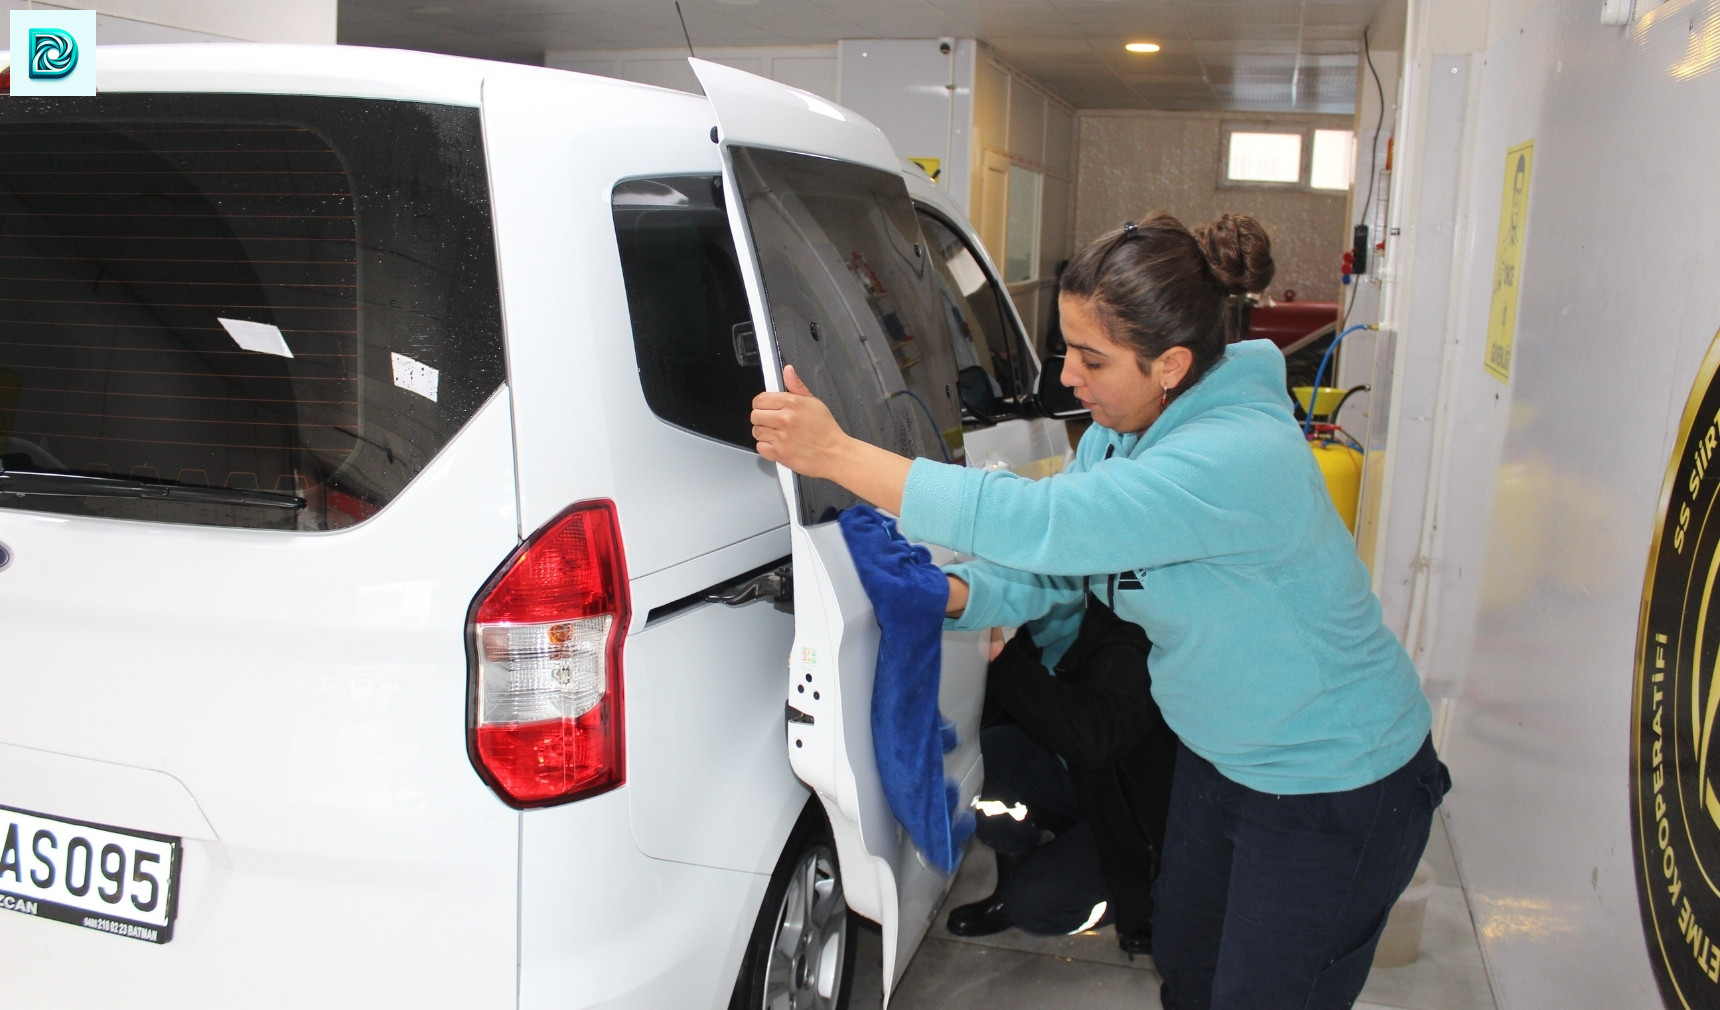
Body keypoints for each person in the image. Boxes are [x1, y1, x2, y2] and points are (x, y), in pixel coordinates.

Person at [750, 211, 1449, 1010]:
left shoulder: (1233, 455)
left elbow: (1041, 521)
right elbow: (1066, 564)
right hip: (1225, 763)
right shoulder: (1124, 436)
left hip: (1335, 779)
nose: (1068, 377)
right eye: (1066, 349)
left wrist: (839, 456)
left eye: (1091, 358)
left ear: (1172, 365)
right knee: (1187, 968)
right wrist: (961, 594)